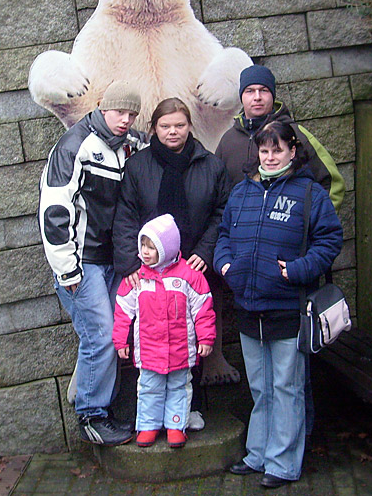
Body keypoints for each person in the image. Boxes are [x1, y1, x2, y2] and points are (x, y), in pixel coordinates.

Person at [214, 121, 343, 488]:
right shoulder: (242, 192)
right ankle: (258, 455)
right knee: (261, 387)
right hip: (248, 306)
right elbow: (224, 235)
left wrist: (300, 269)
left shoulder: (309, 194)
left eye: (277, 150)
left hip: (288, 305)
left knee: (287, 387)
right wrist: (226, 266)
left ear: (292, 151)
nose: (269, 157)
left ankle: (284, 464)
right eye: (264, 151)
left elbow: (330, 240)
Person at [38, 80, 147, 446]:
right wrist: (66, 267)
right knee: (100, 335)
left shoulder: (131, 143)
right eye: (119, 112)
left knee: (117, 334)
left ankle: (107, 408)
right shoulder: (75, 145)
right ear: (102, 106)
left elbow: (164, 146)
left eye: (131, 114)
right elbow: (54, 209)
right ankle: (92, 415)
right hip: (83, 265)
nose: (125, 119)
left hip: (114, 261)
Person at [113, 97, 231, 430]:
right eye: (165, 126)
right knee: (152, 340)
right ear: (154, 129)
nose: (173, 132)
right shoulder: (138, 167)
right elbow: (125, 217)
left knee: (189, 338)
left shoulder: (211, 166)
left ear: (190, 126)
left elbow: (223, 212)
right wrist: (130, 265)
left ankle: (183, 412)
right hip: (149, 270)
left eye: (179, 125)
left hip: (192, 268)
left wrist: (205, 252)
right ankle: (150, 417)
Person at [112, 214, 216, 448]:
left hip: (181, 350)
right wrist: (120, 341)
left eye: (152, 247)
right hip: (149, 352)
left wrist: (206, 337)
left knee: (179, 388)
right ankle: (148, 426)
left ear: (167, 248)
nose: (145, 252)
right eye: (143, 245)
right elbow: (122, 310)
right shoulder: (136, 278)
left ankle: (175, 425)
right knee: (149, 388)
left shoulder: (189, 275)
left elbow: (203, 309)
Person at [215, 64, 345, 210]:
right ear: (241, 97)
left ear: (272, 95)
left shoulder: (296, 134)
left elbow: (333, 184)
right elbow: (217, 194)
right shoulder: (227, 141)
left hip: (290, 229)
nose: (257, 97)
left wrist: (316, 224)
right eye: (250, 91)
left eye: (263, 90)